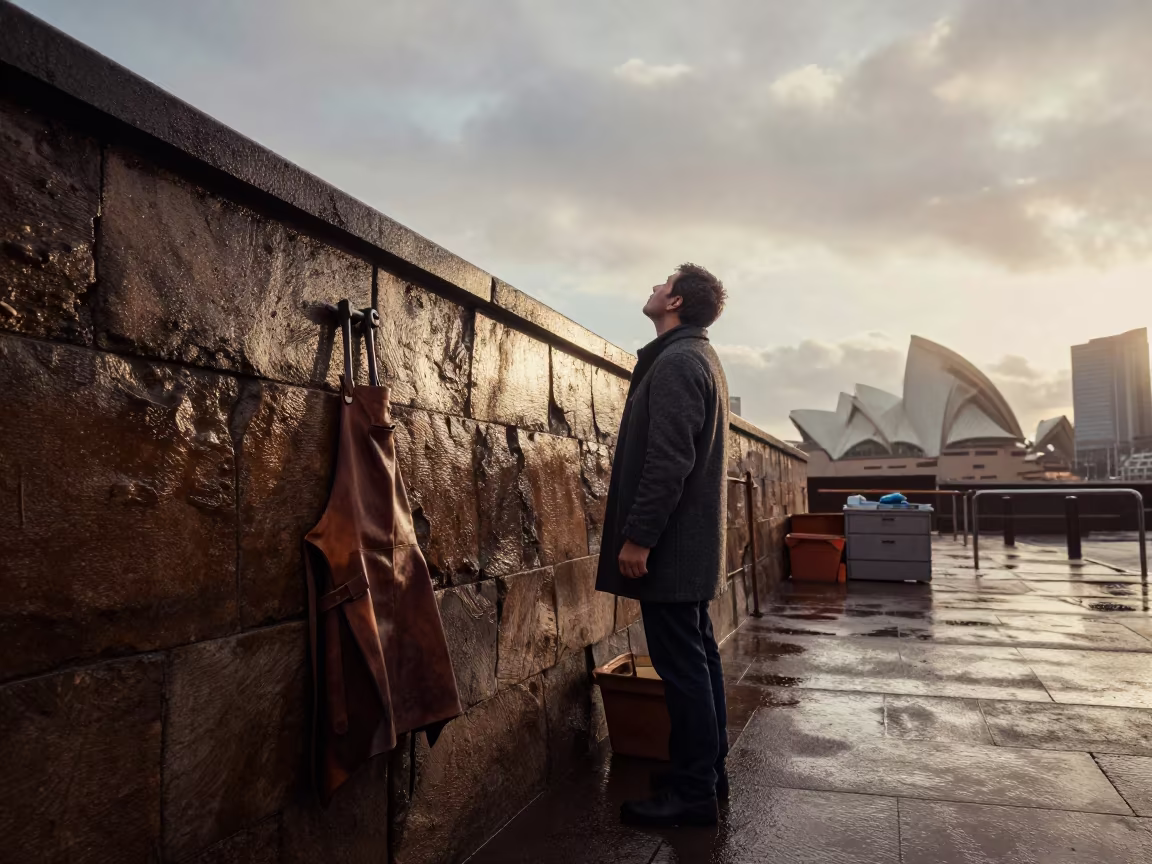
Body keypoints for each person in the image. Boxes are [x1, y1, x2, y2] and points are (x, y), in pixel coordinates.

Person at [595, 263, 730, 827]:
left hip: (671, 550)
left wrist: (639, 539)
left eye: (660, 282)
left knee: (682, 670)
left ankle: (694, 795)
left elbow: (669, 461)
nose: (652, 287)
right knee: (699, 662)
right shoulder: (698, 356)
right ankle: (706, 776)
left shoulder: (677, 363)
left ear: (673, 301)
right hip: (688, 548)